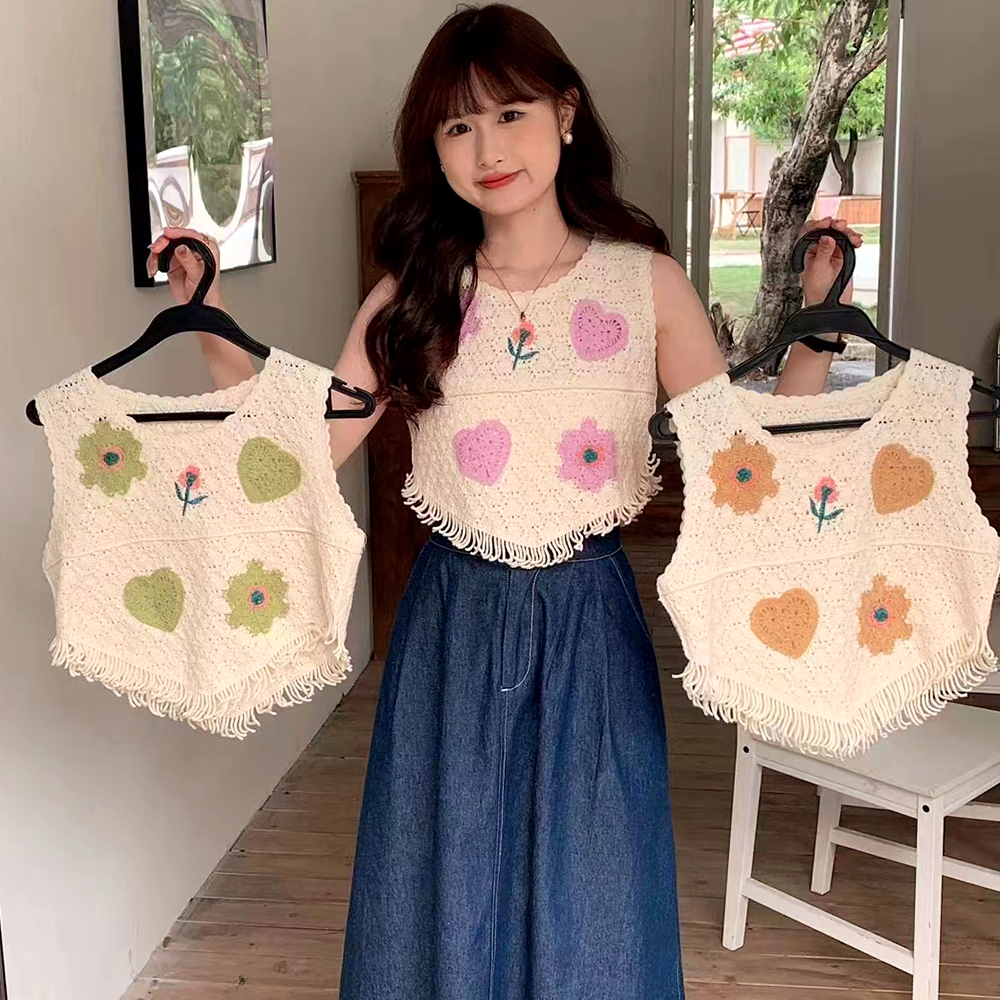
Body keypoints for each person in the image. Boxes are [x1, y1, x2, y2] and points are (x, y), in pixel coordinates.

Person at [148, 5, 861, 997]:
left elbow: (746, 466)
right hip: (452, 627)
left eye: (510, 114)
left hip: (590, 629)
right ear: (433, 147)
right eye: (457, 125)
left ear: (565, 114)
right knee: (443, 891)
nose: (487, 149)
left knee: (596, 902)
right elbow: (301, 449)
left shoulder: (645, 284)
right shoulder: (414, 294)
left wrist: (819, 328)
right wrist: (206, 319)